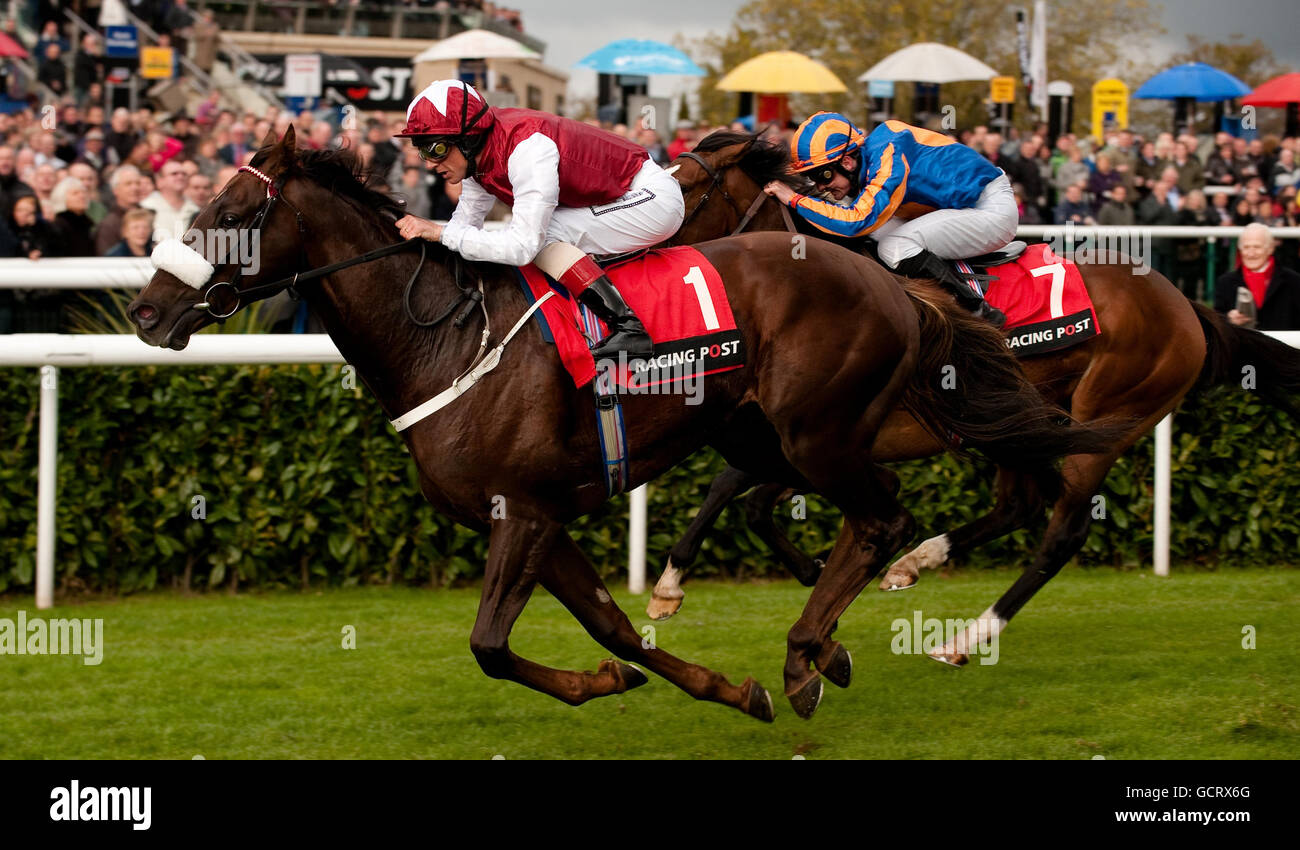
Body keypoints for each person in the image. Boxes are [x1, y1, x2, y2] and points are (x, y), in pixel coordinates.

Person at [391, 80, 685, 360]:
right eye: (422, 148)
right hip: (615, 198)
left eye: (437, 148)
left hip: (653, 198)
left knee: (543, 234)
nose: (428, 162)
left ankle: (627, 325)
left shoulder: (528, 148)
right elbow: (463, 227)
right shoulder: (476, 161)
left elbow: (523, 247)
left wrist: (440, 233)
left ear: (468, 138)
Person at [763, 113, 1011, 325]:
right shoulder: (869, 160)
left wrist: (793, 199)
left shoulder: (889, 156)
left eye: (823, 176)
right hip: (953, 207)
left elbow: (854, 222)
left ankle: (976, 311)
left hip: (989, 208)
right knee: (875, 237)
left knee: (895, 246)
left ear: (847, 161)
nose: (821, 186)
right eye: (811, 178)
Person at [1215, 223, 1300, 330]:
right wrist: (1228, 319)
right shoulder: (1225, 282)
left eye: (1257, 247)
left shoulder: (1294, 281)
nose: (1251, 253)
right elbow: (1215, 321)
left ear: (1270, 249)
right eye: (1246, 247)